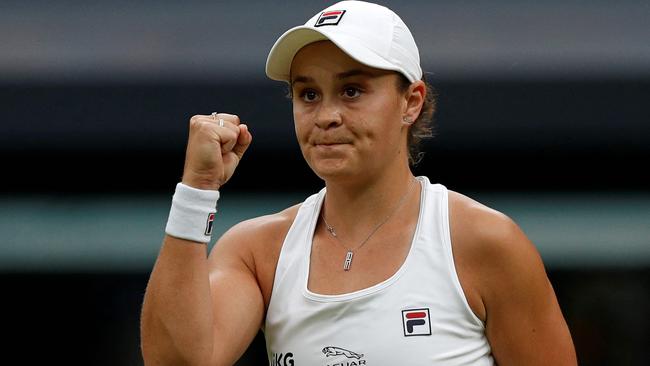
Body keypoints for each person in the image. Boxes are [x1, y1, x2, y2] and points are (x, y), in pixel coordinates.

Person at [140, 1, 578, 365]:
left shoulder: (486, 241)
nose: (326, 115)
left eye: (352, 91)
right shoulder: (258, 251)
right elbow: (178, 362)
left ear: (410, 102)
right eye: (308, 94)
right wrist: (197, 189)